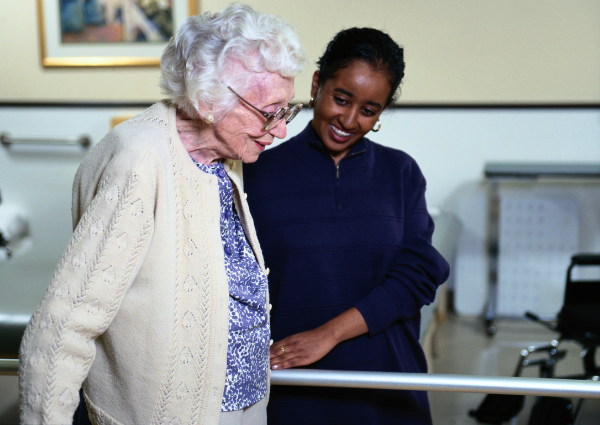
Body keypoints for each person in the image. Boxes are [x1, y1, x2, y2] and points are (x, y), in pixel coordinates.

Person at [18, 3, 307, 424]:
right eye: (269, 113)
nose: (281, 130)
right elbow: (62, 327)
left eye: (286, 110)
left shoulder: (224, 158)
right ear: (209, 100)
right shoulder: (140, 158)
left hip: (245, 403)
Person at [243, 27, 450, 424]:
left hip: (386, 388)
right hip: (293, 392)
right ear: (317, 83)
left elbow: (419, 275)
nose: (350, 120)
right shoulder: (256, 172)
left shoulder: (400, 172)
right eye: (341, 99)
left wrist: (329, 334)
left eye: (369, 110)